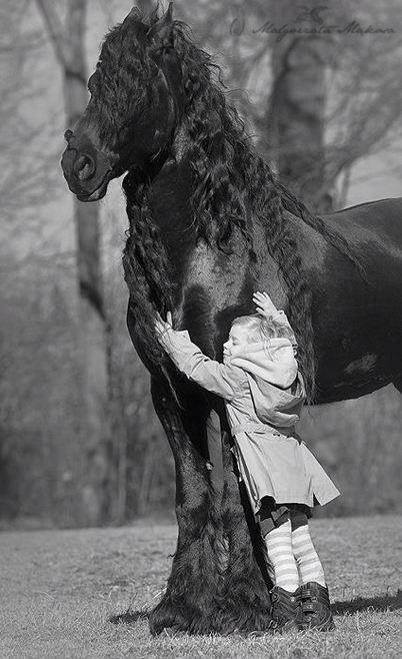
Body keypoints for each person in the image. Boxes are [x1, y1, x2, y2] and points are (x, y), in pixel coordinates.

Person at [155, 292, 340, 633]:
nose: (226, 346)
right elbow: (289, 347)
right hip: (297, 472)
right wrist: (277, 318)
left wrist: (172, 340)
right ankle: (319, 612)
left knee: (278, 544)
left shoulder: (240, 382)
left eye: (234, 342)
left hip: (268, 479)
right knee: (302, 540)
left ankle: (286, 614)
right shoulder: (289, 377)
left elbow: (198, 368)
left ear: (252, 350)